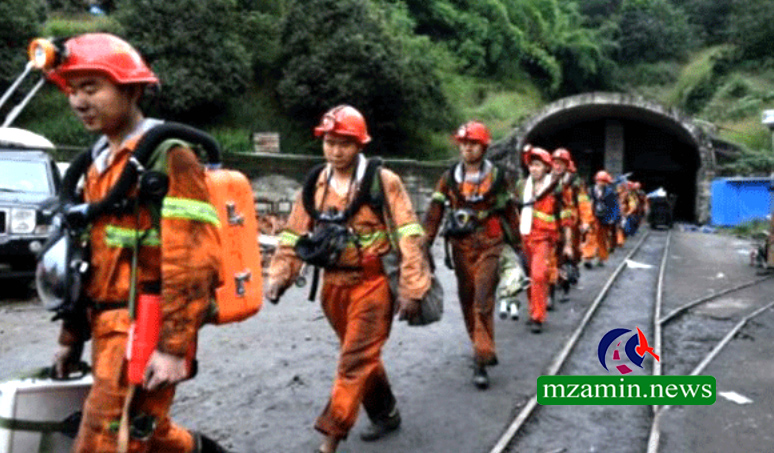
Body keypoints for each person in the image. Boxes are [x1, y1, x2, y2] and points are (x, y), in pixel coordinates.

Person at [45, 33, 226, 452]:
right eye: (72, 90)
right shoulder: (96, 165)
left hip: (145, 325)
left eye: (91, 88)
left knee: (103, 438)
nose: (78, 101)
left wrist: (173, 348)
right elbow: (87, 262)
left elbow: (193, 261)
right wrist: (71, 338)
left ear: (132, 90)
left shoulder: (170, 157)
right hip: (106, 324)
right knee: (146, 431)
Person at [264, 105, 431, 453]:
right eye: (329, 142)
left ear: (359, 144)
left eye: (344, 143)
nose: (336, 151)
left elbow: (409, 233)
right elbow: (294, 233)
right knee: (362, 355)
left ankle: (330, 438)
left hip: (372, 285)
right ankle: (386, 413)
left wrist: (412, 287)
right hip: (333, 288)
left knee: (354, 360)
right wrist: (279, 275)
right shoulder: (315, 185)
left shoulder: (383, 182)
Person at [423, 121, 520, 388]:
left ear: (484, 147)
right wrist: (425, 243)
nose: (467, 148)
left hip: (490, 243)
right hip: (461, 246)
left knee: (482, 298)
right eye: (464, 143)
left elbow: (510, 212)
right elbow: (434, 212)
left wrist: (518, 246)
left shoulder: (498, 177)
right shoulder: (449, 178)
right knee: (467, 299)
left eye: (473, 143)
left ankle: (481, 358)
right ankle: (479, 344)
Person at [515, 146, 572, 333]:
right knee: (528, 277)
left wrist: (568, 243)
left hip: (544, 238)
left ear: (546, 167)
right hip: (525, 236)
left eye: (538, 165)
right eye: (531, 165)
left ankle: (538, 317)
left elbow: (565, 216)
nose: (534, 169)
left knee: (539, 275)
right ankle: (533, 310)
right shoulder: (522, 186)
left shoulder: (556, 188)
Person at [582, 170, 620, 268]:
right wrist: (585, 219)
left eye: (603, 181)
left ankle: (602, 258)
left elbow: (614, 206)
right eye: (600, 181)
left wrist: (613, 218)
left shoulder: (610, 192)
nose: (601, 183)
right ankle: (588, 257)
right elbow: (586, 204)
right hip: (593, 216)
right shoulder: (590, 191)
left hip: (604, 218)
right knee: (591, 237)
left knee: (602, 239)